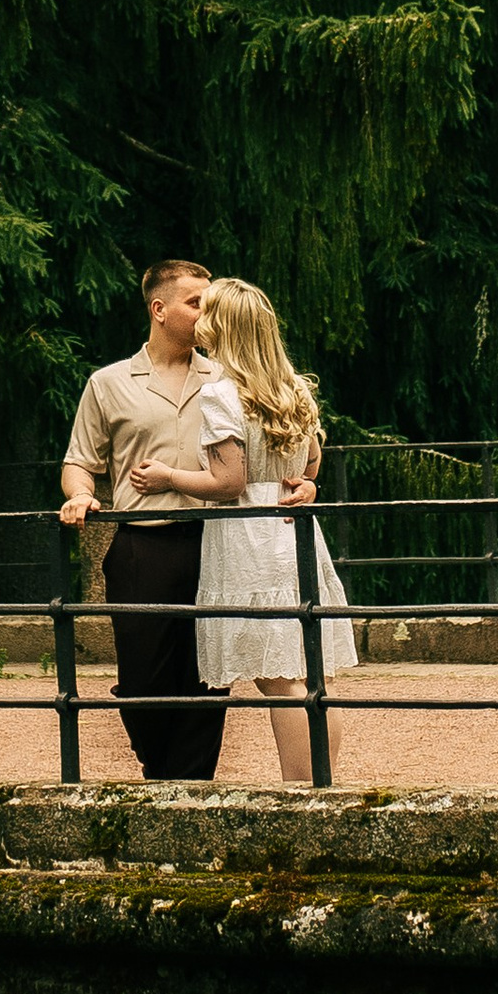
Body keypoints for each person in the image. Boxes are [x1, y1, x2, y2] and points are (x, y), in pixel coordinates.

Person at [130, 273, 353, 783]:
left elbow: (229, 481)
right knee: (311, 676)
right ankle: (321, 781)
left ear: (224, 328)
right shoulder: (294, 389)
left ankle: (301, 791)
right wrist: (305, 486)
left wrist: (167, 476)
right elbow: (311, 465)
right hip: (291, 532)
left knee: (280, 680)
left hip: (249, 539)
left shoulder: (221, 395)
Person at [58, 259, 231, 779]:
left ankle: (193, 787)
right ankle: (160, 772)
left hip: (214, 542)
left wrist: (306, 479)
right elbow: (79, 460)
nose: (208, 312)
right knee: (141, 678)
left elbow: (280, 437)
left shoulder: (226, 377)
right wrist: (81, 495)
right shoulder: (108, 383)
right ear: (159, 309)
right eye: (196, 302)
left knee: (209, 672)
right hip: (140, 546)